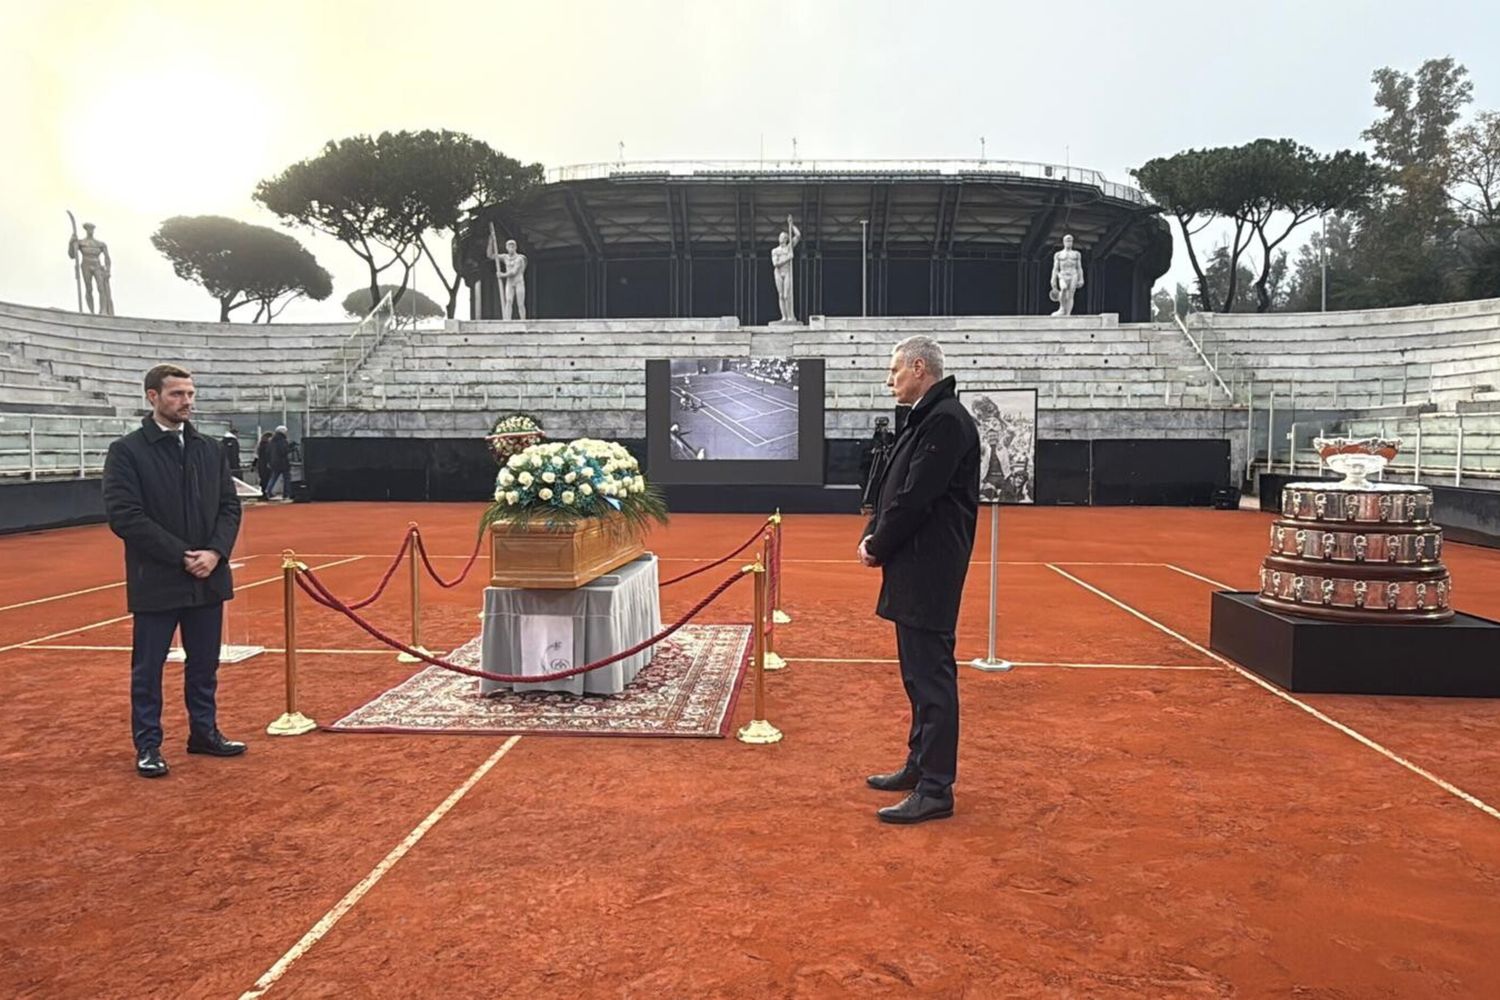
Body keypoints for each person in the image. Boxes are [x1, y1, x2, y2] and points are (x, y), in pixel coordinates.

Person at [858, 336, 980, 824]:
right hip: (915, 565)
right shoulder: (927, 417)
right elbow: (896, 489)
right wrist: (874, 534)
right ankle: (919, 765)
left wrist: (878, 543)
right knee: (917, 675)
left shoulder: (946, 420)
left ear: (918, 367)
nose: (889, 380)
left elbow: (916, 497)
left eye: (894, 371)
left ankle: (936, 787)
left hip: (929, 567)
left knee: (931, 678)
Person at [102, 364, 245, 778]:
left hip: (208, 577)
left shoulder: (209, 449)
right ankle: (148, 745)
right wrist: (183, 555)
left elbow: (229, 506)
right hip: (158, 579)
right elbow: (125, 516)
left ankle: (204, 733)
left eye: (190, 394)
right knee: (148, 669)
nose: (186, 402)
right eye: (177, 394)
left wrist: (215, 553)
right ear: (153, 397)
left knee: (204, 664)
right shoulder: (127, 451)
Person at [67, 221, 115, 316]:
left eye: (92, 229)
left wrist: (108, 270)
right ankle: (91, 312)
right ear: (86, 230)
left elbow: (107, 258)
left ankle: (103, 310)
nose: (91, 231)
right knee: (89, 289)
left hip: (97, 265)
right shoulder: (81, 243)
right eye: (89, 229)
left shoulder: (100, 244)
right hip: (86, 265)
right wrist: (71, 243)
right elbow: (72, 255)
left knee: (101, 288)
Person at [771, 214, 801, 322]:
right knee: (780, 295)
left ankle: (790, 316)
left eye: (783, 237)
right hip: (778, 273)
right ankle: (784, 317)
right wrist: (788, 258)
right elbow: (775, 263)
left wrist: (791, 225)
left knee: (786, 295)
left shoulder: (789, 248)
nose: (781, 238)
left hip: (787, 272)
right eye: (780, 237)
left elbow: (798, 235)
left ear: (786, 239)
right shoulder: (775, 250)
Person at [1050, 233, 1084, 317]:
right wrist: (1053, 279)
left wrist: (1081, 278)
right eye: (1067, 241)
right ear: (1063, 242)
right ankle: (1062, 308)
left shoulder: (1076, 254)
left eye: (1070, 241)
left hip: (1073, 274)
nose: (1069, 242)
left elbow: (1079, 267)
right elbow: (1055, 268)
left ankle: (1068, 314)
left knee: (1071, 295)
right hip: (1062, 275)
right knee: (1063, 288)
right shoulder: (1058, 254)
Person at [264, 425, 292, 499]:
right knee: (286, 478)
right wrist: (290, 448)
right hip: (283, 462)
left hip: (274, 462)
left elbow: (267, 452)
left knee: (274, 477)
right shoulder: (283, 440)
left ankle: (268, 490)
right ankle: (286, 494)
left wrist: (269, 461)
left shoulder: (272, 441)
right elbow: (283, 451)